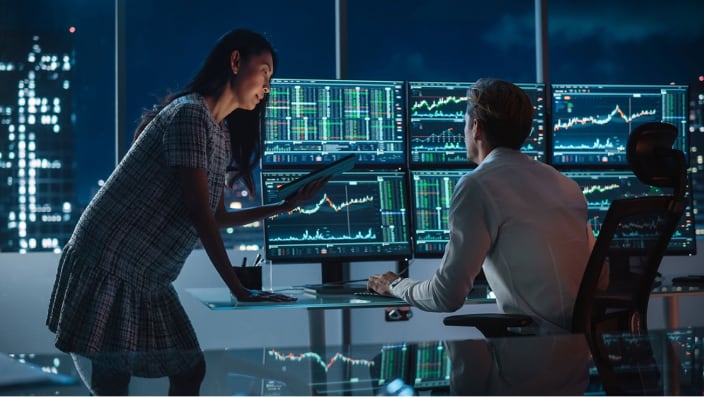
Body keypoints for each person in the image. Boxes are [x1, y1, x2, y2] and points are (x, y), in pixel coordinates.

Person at [46, 29, 328, 395]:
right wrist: (238, 288)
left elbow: (217, 215)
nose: (267, 87)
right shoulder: (190, 116)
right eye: (265, 72)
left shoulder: (219, 133)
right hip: (111, 263)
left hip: (148, 277)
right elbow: (199, 214)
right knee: (116, 378)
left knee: (188, 369)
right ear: (236, 61)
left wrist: (284, 206)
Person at [367, 77, 607, 335]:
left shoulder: (477, 185)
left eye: (465, 124)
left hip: (531, 358)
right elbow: (600, 280)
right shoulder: (566, 184)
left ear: (476, 128)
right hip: (578, 360)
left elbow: (445, 296)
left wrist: (395, 285)